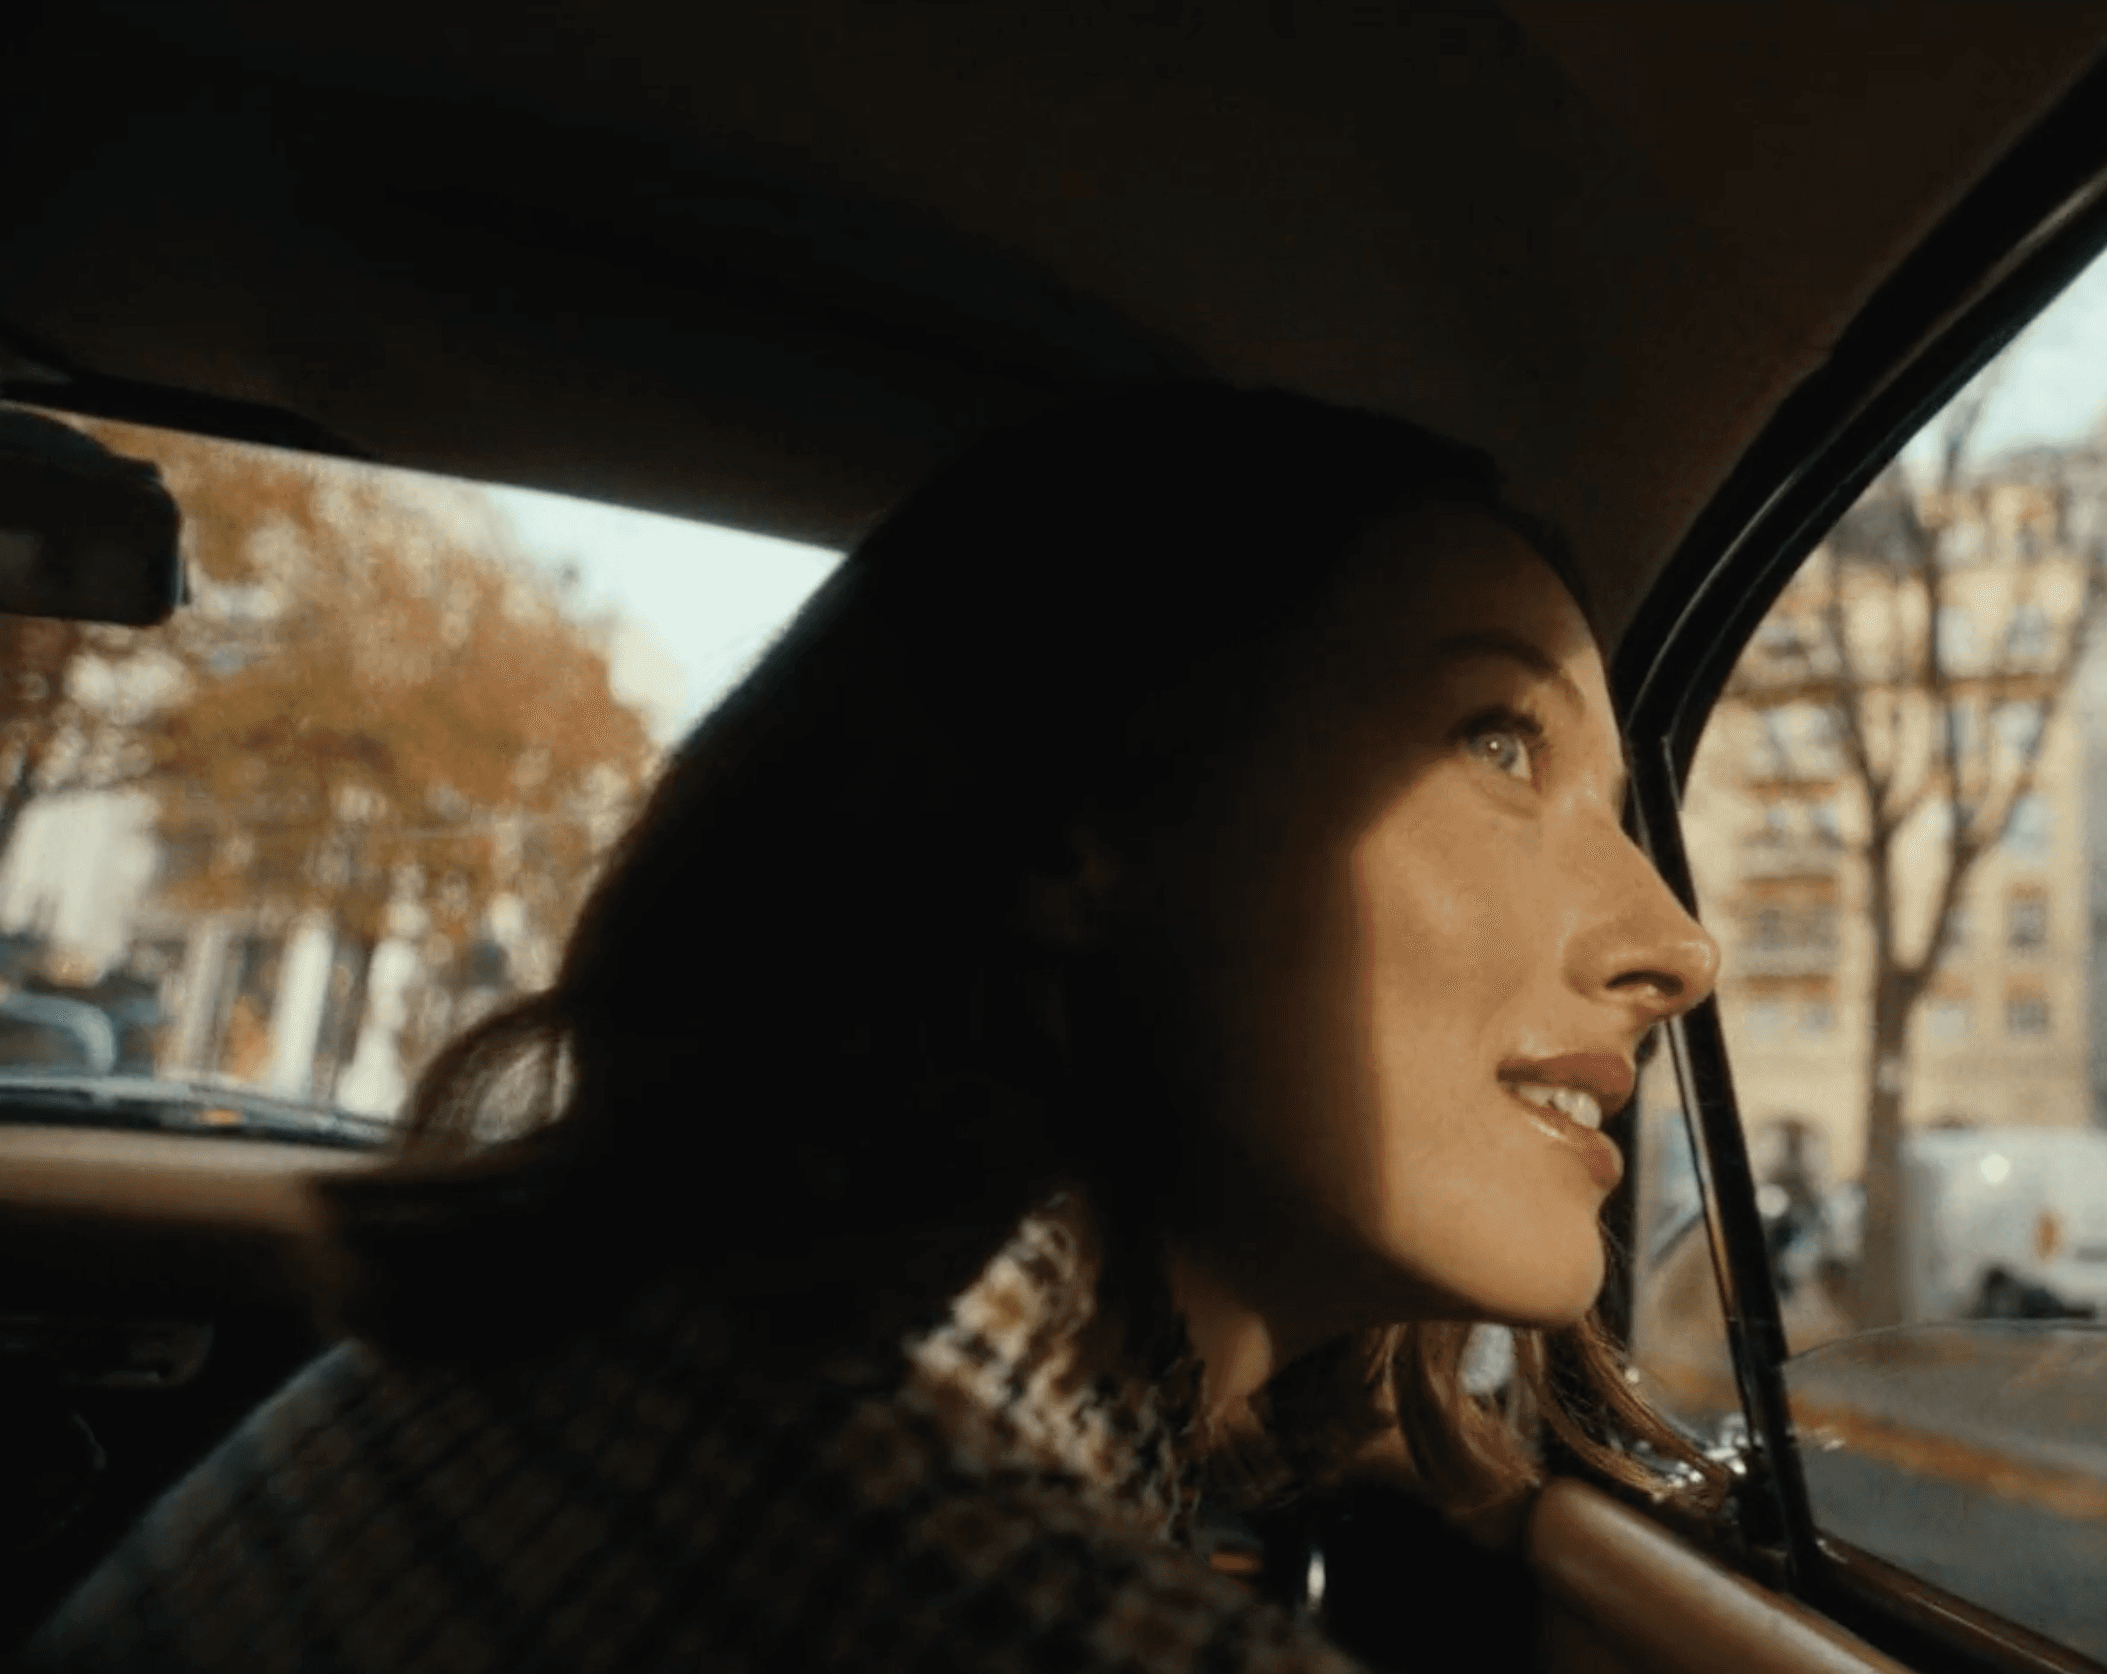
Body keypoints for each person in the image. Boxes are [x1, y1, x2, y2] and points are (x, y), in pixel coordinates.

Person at [25, 383, 1726, 1672]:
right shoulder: (952, 1568)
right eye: (1498, 741)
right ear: (1085, 814)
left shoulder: (698, 1316)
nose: (1677, 944)